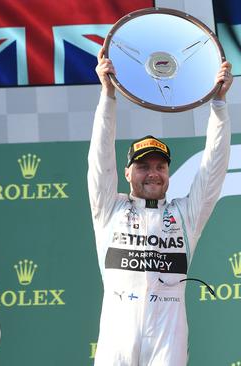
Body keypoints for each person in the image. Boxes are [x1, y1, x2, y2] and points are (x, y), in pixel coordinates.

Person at [89, 49, 232, 365]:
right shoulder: (108, 208)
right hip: (117, 338)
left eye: (160, 166)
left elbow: (213, 169)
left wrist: (219, 106)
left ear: (168, 172)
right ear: (127, 172)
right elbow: (100, 159)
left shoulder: (185, 214)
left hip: (167, 337)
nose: (152, 173)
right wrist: (107, 95)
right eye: (143, 166)